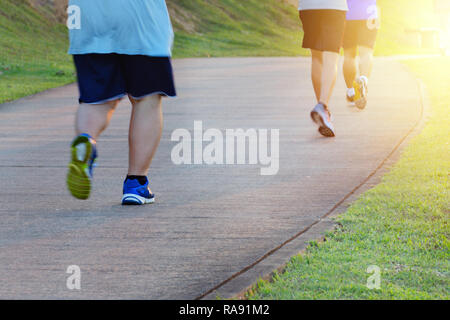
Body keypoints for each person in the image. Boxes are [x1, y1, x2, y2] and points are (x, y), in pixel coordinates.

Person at [66, 0, 176, 205]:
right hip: (140, 16)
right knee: (147, 97)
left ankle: (86, 140)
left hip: (86, 16)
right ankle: (136, 184)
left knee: (96, 100)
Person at [299, 0, 348, 137]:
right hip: (333, 6)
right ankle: (322, 105)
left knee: (316, 57)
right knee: (331, 57)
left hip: (308, 6)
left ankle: (322, 109)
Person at [343, 0, 379, 109]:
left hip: (347, 13)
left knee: (349, 55)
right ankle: (363, 80)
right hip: (369, 12)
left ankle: (352, 91)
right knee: (366, 52)